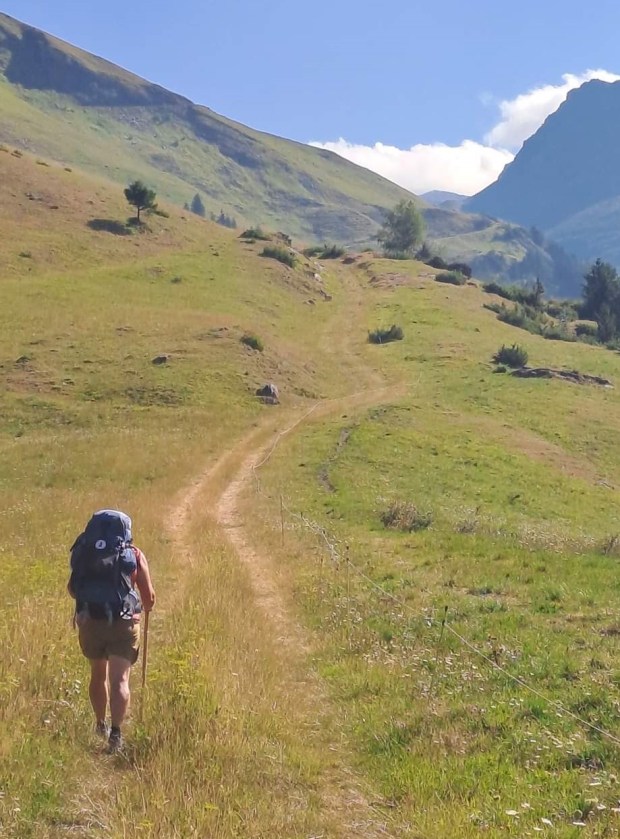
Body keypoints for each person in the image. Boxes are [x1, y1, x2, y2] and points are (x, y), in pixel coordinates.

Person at [67, 510, 155, 752]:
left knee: (97, 674)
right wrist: (145, 606)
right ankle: (116, 734)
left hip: (91, 621)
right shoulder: (133, 554)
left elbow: (73, 589)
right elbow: (148, 598)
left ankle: (100, 724)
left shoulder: (86, 551)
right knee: (120, 680)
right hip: (124, 623)